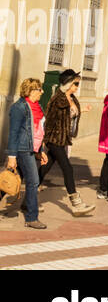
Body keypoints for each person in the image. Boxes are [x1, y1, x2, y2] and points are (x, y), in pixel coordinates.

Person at [38, 69, 94, 216]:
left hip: (64, 140)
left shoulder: (72, 98)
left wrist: (84, 110)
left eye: (77, 84)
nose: (77, 86)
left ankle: (27, 201)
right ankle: (76, 204)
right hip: (55, 140)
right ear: (68, 84)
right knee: (68, 169)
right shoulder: (58, 99)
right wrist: (45, 142)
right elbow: (49, 121)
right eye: (75, 83)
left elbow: (72, 114)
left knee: (43, 170)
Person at [4, 77, 48, 229]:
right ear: (30, 90)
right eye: (39, 89)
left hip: (32, 148)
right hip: (23, 148)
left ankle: (28, 210)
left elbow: (38, 131)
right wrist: (11, 156)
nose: (42, 92)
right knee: (33, 181)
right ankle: (31, 218)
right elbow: (14, 133)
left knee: (13, 180)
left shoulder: (38, 107)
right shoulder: (19, 107)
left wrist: (41, 151)